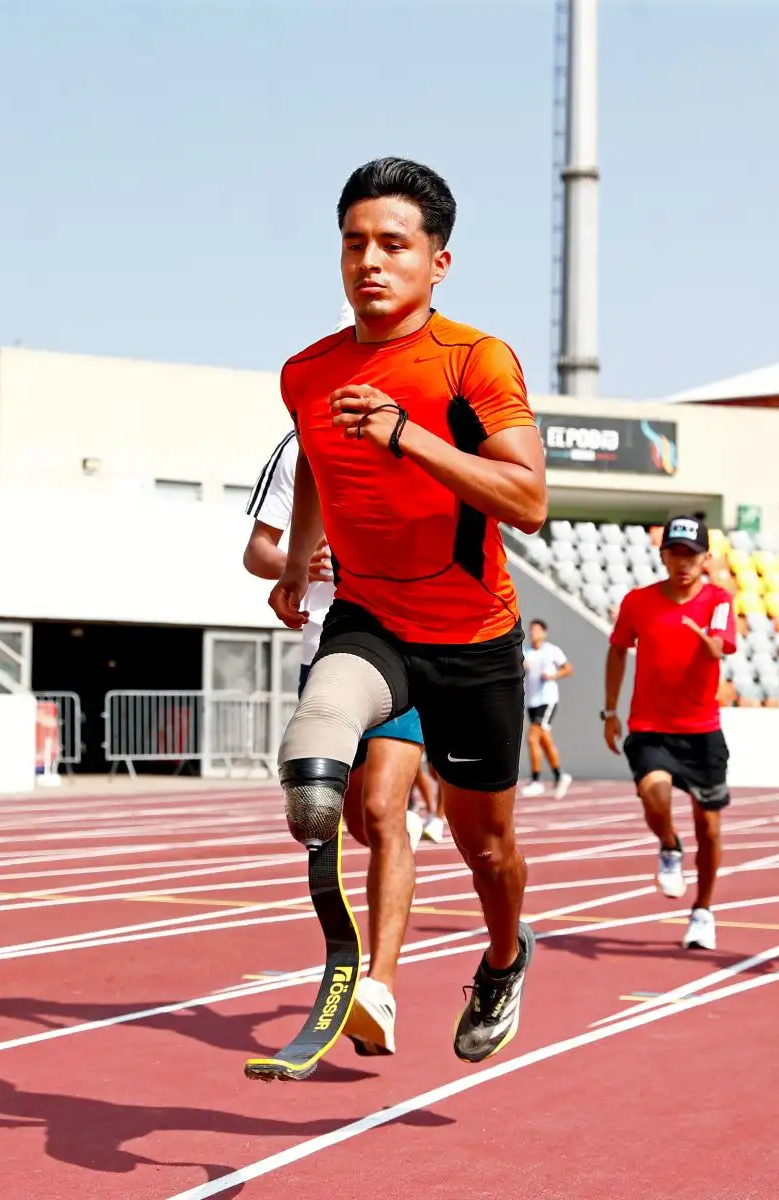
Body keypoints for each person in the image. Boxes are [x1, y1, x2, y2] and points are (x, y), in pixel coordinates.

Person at [268, 156, 545, 1066]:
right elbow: (313, 454)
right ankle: (373, 982)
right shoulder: (305, 371)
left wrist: (406, 433)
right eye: (354, 244)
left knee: (485, 843)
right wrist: (302, 561)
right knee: (334, 781)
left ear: (439, 261)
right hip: (370, 618)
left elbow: (528, 499)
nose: (369, 262)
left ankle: (504, 958)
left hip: (473, 639)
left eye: (393, 243)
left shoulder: (475, 359)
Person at [243, 424, 425, 1055]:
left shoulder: (416, 431)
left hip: (408, 644)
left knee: (383, 809)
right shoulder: (299, 445)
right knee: (352, 821)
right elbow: (258, 552)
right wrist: (299, 564)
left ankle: (380, 984)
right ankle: (384, 902)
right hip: (327, 652)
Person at [601, 515, 733, 951]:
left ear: (705, 559)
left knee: (710, 829)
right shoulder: (638, 602)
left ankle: (704, 910)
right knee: (653, 795)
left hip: (701, 731)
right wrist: (609, 710)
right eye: (675, 554)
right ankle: (669, 845)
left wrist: (711, 646)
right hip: (650, 726)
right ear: (663, 556)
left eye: (691, 555)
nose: (683, 563)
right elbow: (618, 650)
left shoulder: (718, 600)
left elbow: (721, 643)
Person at [521, 619, 574, 799]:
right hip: (531, 702)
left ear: (544, 632)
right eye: (531, 630)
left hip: (547, 700)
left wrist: (554, 675)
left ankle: (536, 780)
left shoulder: (551, 650)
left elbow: (568, 668)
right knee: (544, 741)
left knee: (532, 738)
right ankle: (560, 775)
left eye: (537, 630)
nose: (533, 633)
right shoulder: (525, 651)